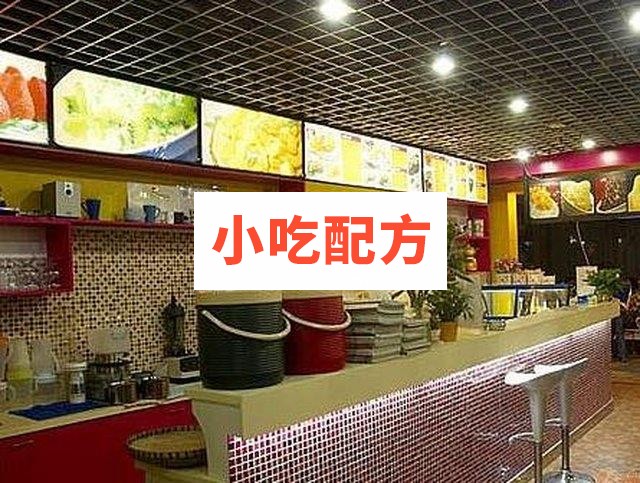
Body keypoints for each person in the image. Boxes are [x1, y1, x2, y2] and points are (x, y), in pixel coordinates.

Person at [612, 276, 639, 362]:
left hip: (619, 312)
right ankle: (622, 354)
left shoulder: (617, 287)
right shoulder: (629, 287)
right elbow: (628, 300)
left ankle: (619, 354)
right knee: (619, 333)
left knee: (617, 332)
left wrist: (622, 304)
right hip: (625, 314)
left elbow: (615, 299)